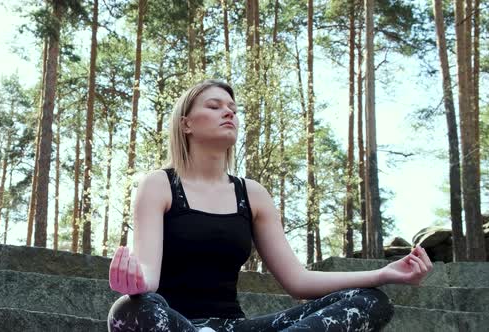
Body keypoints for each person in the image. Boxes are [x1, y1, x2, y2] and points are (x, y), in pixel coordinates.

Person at [107, 80, 433, 332]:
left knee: (368, 300)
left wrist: (384, 273)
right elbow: (148, 277)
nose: (229, 112)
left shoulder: (252, 194)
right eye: (215, 105)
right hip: (178, 323)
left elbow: (297, 281)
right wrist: (134, 282)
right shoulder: (159, 184)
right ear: (186, 123)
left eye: (233, 107)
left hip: (237, 325)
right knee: (129, 309)